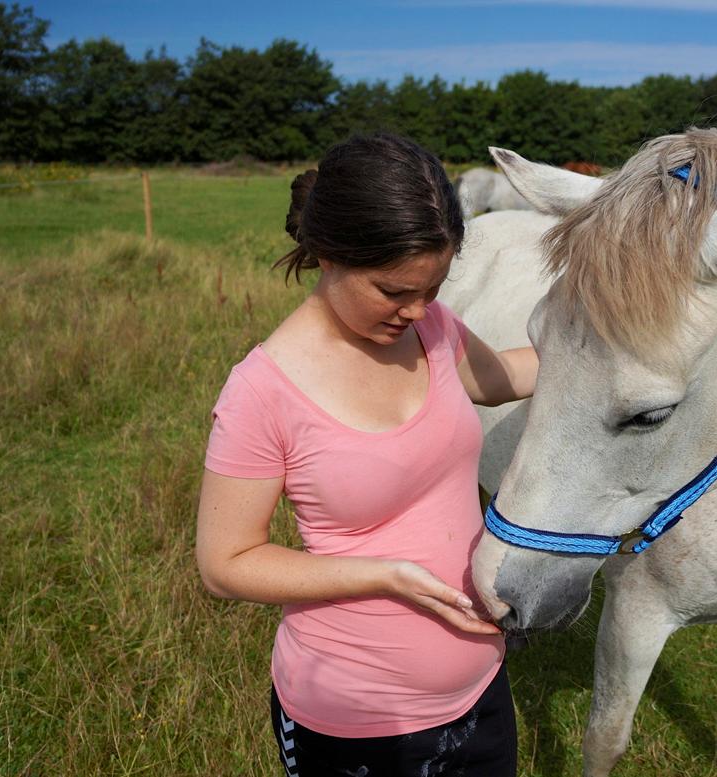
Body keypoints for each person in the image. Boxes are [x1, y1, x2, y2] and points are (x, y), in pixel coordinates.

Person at [195, 133, 536, 776]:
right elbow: (224, 563)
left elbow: (500, 378)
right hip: (357, 724)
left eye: (432, 289)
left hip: (481, 691)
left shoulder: (430, 330)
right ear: (327, 255)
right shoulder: (262, 392)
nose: (416, 310)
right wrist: (384, 574)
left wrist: (616, 348)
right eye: (392, 291)